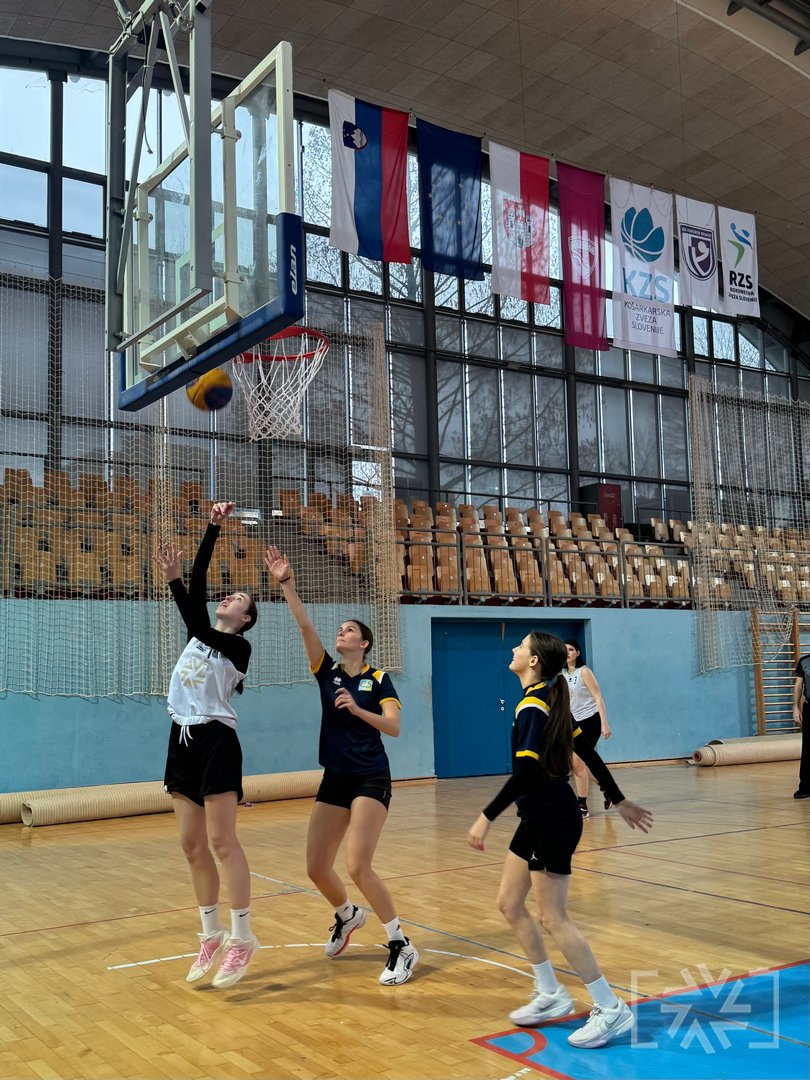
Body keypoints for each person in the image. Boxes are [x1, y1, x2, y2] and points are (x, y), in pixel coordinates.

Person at [467, 631, 653, 1050]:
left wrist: (485, 817)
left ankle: (610, 1007)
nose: (514, 649)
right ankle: (551, 992)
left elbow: (526, 774)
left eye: (520, 646)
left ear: (533, 661)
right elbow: (589, 753)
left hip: (551, 818)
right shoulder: (547, 701)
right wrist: (619, 799)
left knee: (553, 917)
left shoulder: (534, 706)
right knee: (509, 903)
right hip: (538, 816)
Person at [264, 544, 418, 985]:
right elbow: (305, 624)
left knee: (357, 865)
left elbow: (393, 727)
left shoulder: (379, 679)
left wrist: (357, 709)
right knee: (316, 867)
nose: (342, 632)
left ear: (363, 643)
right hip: (335, 777)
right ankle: (348, 915)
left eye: (349, 629)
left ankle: (401, 944)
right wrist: (286, 583)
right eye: (341, 629)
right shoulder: (326, 671)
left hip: (371, 776)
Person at [156, 501, 259, 989]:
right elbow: (197, 595)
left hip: (216, 740)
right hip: (181, 737)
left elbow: (194, 612)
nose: (229, 597)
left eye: (238, 598)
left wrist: (175, 583)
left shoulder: (238, 648)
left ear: (246, 618)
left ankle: (243, 937)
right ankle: (211, 932)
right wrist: (211, 528)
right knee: (191, 843)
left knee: (221, 841)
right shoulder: (200, 638)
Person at [563, 641, 612, 818]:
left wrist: (604, 724)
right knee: (579, 765)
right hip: (573, 722)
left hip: (590, 720)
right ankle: (607, 787)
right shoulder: (561, 674)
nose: (567, 652)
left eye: (571, 649)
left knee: (578, 762)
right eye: (564, 650)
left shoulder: (584, 671)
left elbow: (598, 698)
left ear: (577, 653)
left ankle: (582, 805)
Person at [791, 654, 810, 799]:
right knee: (808, 749)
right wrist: (795, 707)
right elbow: (798, 685)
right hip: (809, 707)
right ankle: (805, 787)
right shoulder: (804, 661)